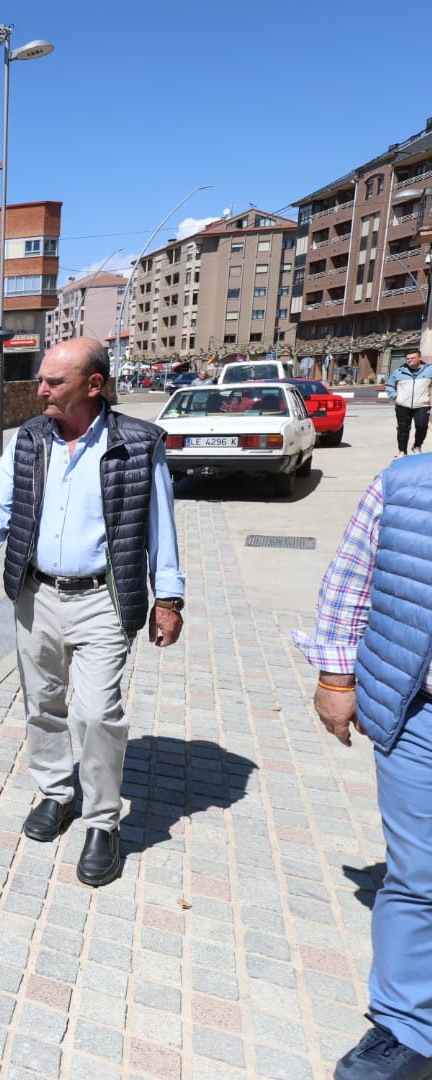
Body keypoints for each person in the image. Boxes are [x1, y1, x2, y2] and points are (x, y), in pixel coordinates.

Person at [0, 336, 184, 887]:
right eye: (41, 379)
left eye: (54, 382)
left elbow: (161, 523)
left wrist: (169, 597)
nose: (41, 391)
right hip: (36, 595)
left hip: (103, 600)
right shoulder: (31, 438)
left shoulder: (138, 442)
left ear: (93, 385)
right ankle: (56, 793)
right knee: (43, 703)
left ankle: (103, 823)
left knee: (98, 714)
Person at [294, 456, 432, 1080]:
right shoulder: (404, 485)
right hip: (419, 713)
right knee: (417, 877)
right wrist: (334, 675)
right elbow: (350, 583)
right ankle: (406, 1026)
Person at [385, 349, 431, 457]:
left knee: (422, 426)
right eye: (408, 359)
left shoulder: (429, 370)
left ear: (420, 358)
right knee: (403, 429)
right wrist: (395, 396)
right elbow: (389, 385)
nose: (409, 360)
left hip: (422, 405)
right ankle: (402, 452)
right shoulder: (399, 371)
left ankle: (417, 446)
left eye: (412, 358)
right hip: (402, 405)